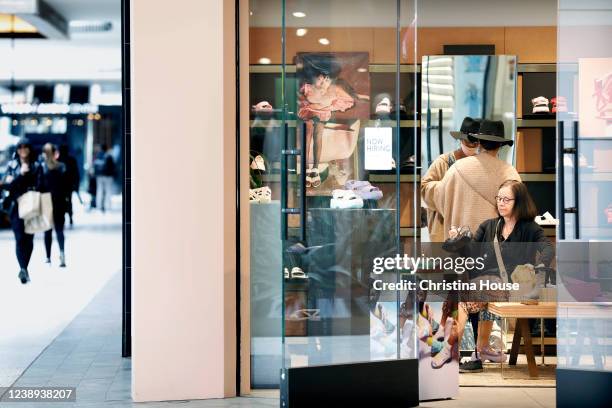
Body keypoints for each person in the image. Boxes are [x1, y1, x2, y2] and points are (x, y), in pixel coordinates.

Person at [428, 119, 521, 370]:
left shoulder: (457, 169)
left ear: (478, 142)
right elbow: (517, 211)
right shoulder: (509, 173)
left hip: (460, 244)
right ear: (500, 146)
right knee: (488, 297)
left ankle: (455, 351)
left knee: (460, 297)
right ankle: (481, 350)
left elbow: (437, 198)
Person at [450, 179, 554, 373]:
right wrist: (459, 241)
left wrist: (540, 265)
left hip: (512, 285)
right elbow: (471, 253)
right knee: (467, 291)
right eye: (499, 198)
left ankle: (450, 353)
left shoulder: (530, 228)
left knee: (464, 298)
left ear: (519, 202)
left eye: (507, 199)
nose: (501, 203)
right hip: (486, 284)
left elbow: (547, 247)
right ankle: (479, 352)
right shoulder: (488, 226)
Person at [422, 117, 481, 242]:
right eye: (467, 142)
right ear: (460, 140)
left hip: (472, 225)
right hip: (444, 225)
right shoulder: (443, 162)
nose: (471, 146)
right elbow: (424, 187)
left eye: (475, 143)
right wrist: (448, 190)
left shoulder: (481, 164)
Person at [0, 138, 41, 284]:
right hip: (16, 205)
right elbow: (6, 186)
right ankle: (23, 269)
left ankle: (25, 268)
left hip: (32, 203)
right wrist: (20, 175)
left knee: (29, 239)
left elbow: (40, 185)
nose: (22, 150)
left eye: (25, 147)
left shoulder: (36, 165)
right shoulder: (12, 165)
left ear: (30, 149)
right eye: (20, 147)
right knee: (19, 238)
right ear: (17, 150)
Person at [40, 143, 69, 267]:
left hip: (46, 200)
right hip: (60, 201)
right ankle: (62, 254)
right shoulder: (62, 167)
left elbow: (39, 185)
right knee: (59, 229)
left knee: (47, 230)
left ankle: (48, 257)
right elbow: (67, 185)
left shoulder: (42, 167)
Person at [59, 145, 80, 227]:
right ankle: (70, 217)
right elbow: (76, 173)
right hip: (68, 185)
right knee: (69, 201)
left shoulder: (58, 160)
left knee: (62, 202)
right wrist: (76, 184)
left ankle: (65, 218)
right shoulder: (71, 160)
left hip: (62, 186)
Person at [94, 144, 116, 212]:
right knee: (108, 191)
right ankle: (107, 207)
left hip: (99, 176)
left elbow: (95, 166)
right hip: (108, 176)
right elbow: (113, 166)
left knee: (99, 191)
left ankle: (99, 206)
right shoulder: (109, 156)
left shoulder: (97, 156)